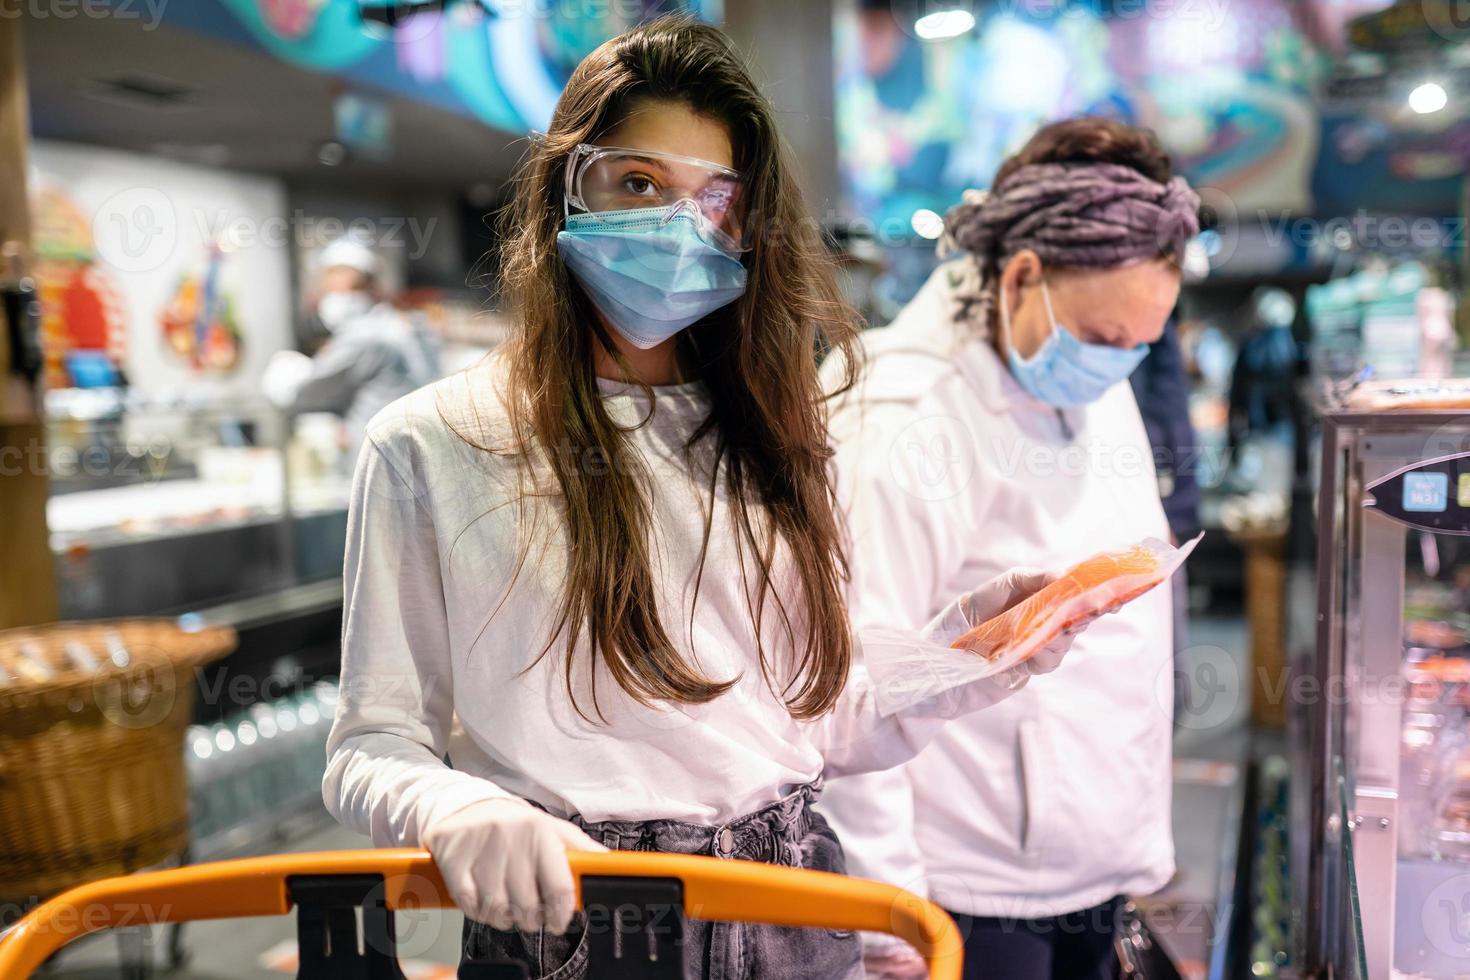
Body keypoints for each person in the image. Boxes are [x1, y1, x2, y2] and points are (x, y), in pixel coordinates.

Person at [321, 20, 1088, 980]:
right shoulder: (432, 443)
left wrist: (957, 656)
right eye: (638, 183)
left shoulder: (777, 433)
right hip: (586, 920)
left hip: (791, 902)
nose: (678, 227)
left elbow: (815, 723)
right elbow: (371, 744)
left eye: (714, 201)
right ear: (566, 186)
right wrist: (460, 809)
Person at [818, 118, 1200, 980]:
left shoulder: (1083, 362)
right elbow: (847, 681)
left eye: (1144, 343)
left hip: (1087, 863)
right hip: (969, 886)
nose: (1122, 363)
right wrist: (891, 923)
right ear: (1024, 276)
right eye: (1108, 340)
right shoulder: (905, 418)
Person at [262, 236, 440, 455]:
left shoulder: (365, 335)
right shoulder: (397, 324)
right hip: (413, 451)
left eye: (345, 286)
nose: (333, 295)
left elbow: (305, 392)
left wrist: (285, 370)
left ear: (369, 286)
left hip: (386, 457)